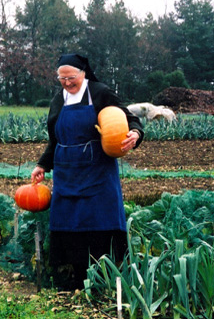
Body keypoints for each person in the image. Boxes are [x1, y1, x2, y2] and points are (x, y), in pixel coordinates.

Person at [30, 53, 144, 290]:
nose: (67, 83)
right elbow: (54, 140)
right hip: (66, 173)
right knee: (68, 224)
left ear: (83, 73)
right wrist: (42, 165)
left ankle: (103, 278)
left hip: (98, 172)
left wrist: (135, 133)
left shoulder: (101, 92)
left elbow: (129, 118)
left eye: (71, 78)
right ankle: (73, 278)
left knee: (99, 222)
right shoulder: (58, 100)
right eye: (62, 79)